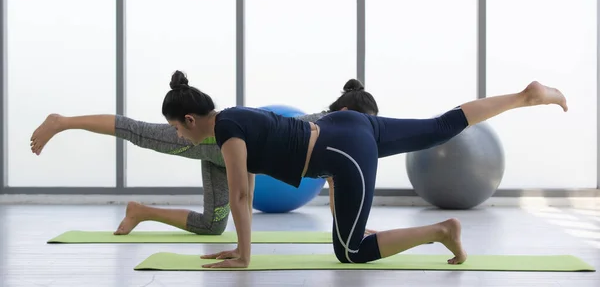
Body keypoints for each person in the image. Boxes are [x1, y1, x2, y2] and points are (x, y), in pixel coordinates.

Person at [160, 70, 568, 268]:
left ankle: (442, 231)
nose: (179, 136)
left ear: (191, 119)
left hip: (343, 147)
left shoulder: (227, 131)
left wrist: (245, 256)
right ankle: (524, 96)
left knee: (350, 252)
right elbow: (249, 180)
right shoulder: (235, 117)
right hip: (344, 128)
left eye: (176, 128)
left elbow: (241, 196)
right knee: (439, 128)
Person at [29, 79, 380, 236]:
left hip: (230, 157)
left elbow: (336, 195)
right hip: (210, 142)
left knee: (213, 227)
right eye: (369, 124)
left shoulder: (335, 132)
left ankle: (141, 211)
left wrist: (355, 228)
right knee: (139, 132)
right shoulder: (327, 128)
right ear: (350, 112)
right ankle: (63, 121)